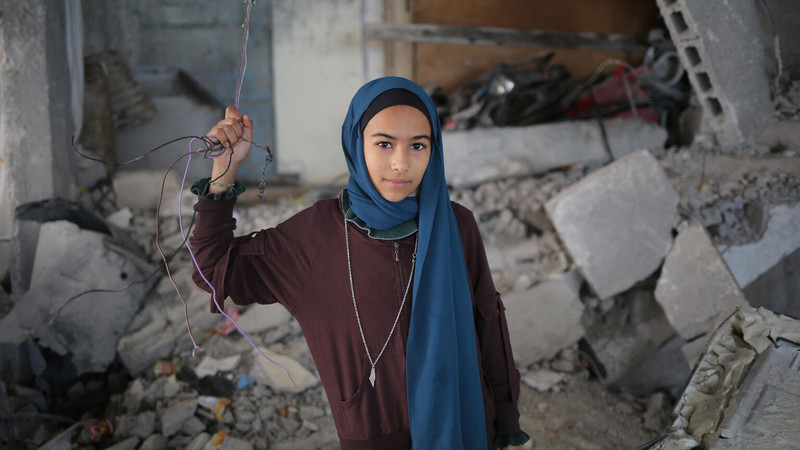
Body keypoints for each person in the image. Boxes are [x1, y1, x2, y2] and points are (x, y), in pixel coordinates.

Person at [189, 76, 530, 449]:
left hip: (465, 426)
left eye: (418, 145)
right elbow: (213, 271)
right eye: (384, 143)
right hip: (374, 438)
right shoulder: (315, 236)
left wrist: (507, 422)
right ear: (356, 142)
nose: (401, 163)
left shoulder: (455, 225)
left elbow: (489, 325)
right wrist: (224, 173)